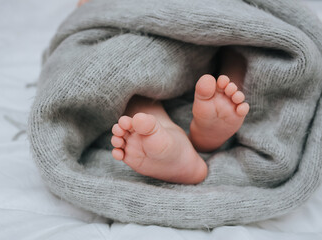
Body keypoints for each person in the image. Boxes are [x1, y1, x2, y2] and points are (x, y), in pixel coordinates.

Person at [78, 0, 250, 184]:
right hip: (156, 37)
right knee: (121, 70)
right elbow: (88, 14)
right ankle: (172, 140)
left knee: (242, 38)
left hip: (206, 26)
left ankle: (215, 119)